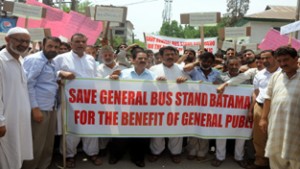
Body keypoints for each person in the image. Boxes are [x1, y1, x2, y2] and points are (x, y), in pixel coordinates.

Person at [53, 33, 102, 168]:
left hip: (90, 100)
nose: (80, 44)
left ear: (86, 43)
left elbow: (96, 77)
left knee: (91, 128)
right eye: (77, 42)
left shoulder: (91, 59)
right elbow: (51, 72)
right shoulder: (61, 58)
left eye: (83, 41)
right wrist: (60, 74)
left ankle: (92, 153)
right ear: (71, 43)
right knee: (71, 129)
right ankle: (69, 155)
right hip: (70, 102)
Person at [109, 50, 159, 167]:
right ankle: (115, 155)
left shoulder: (153, 76)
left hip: (143, 111)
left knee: (141, 136)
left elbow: (160, 91)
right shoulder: (123, 73)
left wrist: (163, 83)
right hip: (124, 110)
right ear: (132, 59)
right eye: (139, 58)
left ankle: (138, 158)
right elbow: (106, 83)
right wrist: (112, 77)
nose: (142, 61)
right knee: (120, 136)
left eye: (145, 59)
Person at [21, 37, 61, 169]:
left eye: (56, 47)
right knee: (36, 143)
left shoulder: (52, 62)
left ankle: (44, 166)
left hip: (51, 106)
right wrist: (35, 108)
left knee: (48, 143)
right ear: (43, 45)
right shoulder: (35, 60)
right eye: (50, 46)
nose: (53, 49)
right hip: (39, 108)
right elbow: (28, 85)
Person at [259, 46, 300, 169]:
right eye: (280, 61)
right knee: (276, 157)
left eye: (286, 60)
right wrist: (263, 118)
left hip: (296, 127)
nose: (283, 64)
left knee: (296, 159)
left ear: (296, 59)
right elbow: (268, 97)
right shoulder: (276, 77)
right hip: (276, 125)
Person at [148, 46, 189, 164]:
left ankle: (175, 152)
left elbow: (192, 86)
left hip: (177, 105)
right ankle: (156, 152)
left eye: (172, 54)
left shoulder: (182, 69)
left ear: (176, 56)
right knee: (158, 130)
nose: (170, 57)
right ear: (161, 57)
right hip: (158, 106)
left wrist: (184, 81)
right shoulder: (153, 69)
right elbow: (146, 86)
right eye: (167, 55)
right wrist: (156, 81)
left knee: (176, 130)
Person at [0, 27, 33, 169]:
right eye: (20, 40)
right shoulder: (1, 61)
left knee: (17, 154)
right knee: (7, 157)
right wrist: (0, 121)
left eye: (27, 41)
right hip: (7, 121)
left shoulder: (20, 60)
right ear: (7, 40)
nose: (24, 45)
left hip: (21, 120)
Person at [244, 50, 280, 169]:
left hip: (277, 110)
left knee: (276, 137)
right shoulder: (259, 75)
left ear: (275, 58)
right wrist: (250, 110)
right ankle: (260, 161)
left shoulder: (283, 73)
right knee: (259, 137)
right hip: (259, 107)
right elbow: (256, 93)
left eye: (267, 58)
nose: (264, 61)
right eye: (262, 58)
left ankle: (275, 163)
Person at [211, 57, 249, 168]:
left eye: (236, 64)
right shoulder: (220, 76)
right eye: (231, 64)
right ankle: (219, 157)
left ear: (240, 65)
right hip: (223, 110)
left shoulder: (246, 77)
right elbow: (213, 89)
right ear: (227, 65)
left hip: (241, 109)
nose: (234, 67)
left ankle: (239, 157)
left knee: (241, 134)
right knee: (221, 133)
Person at [183, 52, 221, 162]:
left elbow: (222, 85)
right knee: (194, 126)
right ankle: (192, 150)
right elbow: (185, 68)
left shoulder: (217, 73)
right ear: (200, 61)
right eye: (204, 61)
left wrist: (217, 84)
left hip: (210, 105)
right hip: (194, 104)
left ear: (212, 63)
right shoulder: (194, 70)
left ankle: (202, 151)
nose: (207, 63)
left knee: (205, 127)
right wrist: (197, 62)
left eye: (209, 61)